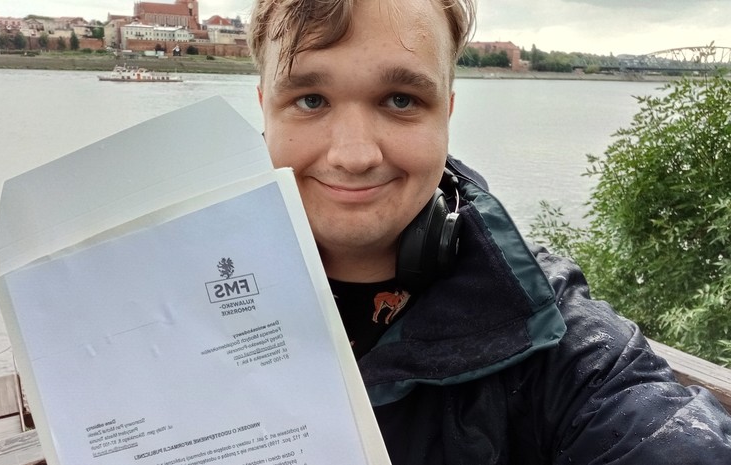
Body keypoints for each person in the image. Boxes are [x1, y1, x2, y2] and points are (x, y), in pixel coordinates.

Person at [248, 0, 731, 463]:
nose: (354, 156)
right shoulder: (195, 301)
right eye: (310, 100)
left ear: (446, 112)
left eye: (401, 100)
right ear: (264, 108)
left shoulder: (551, 332)